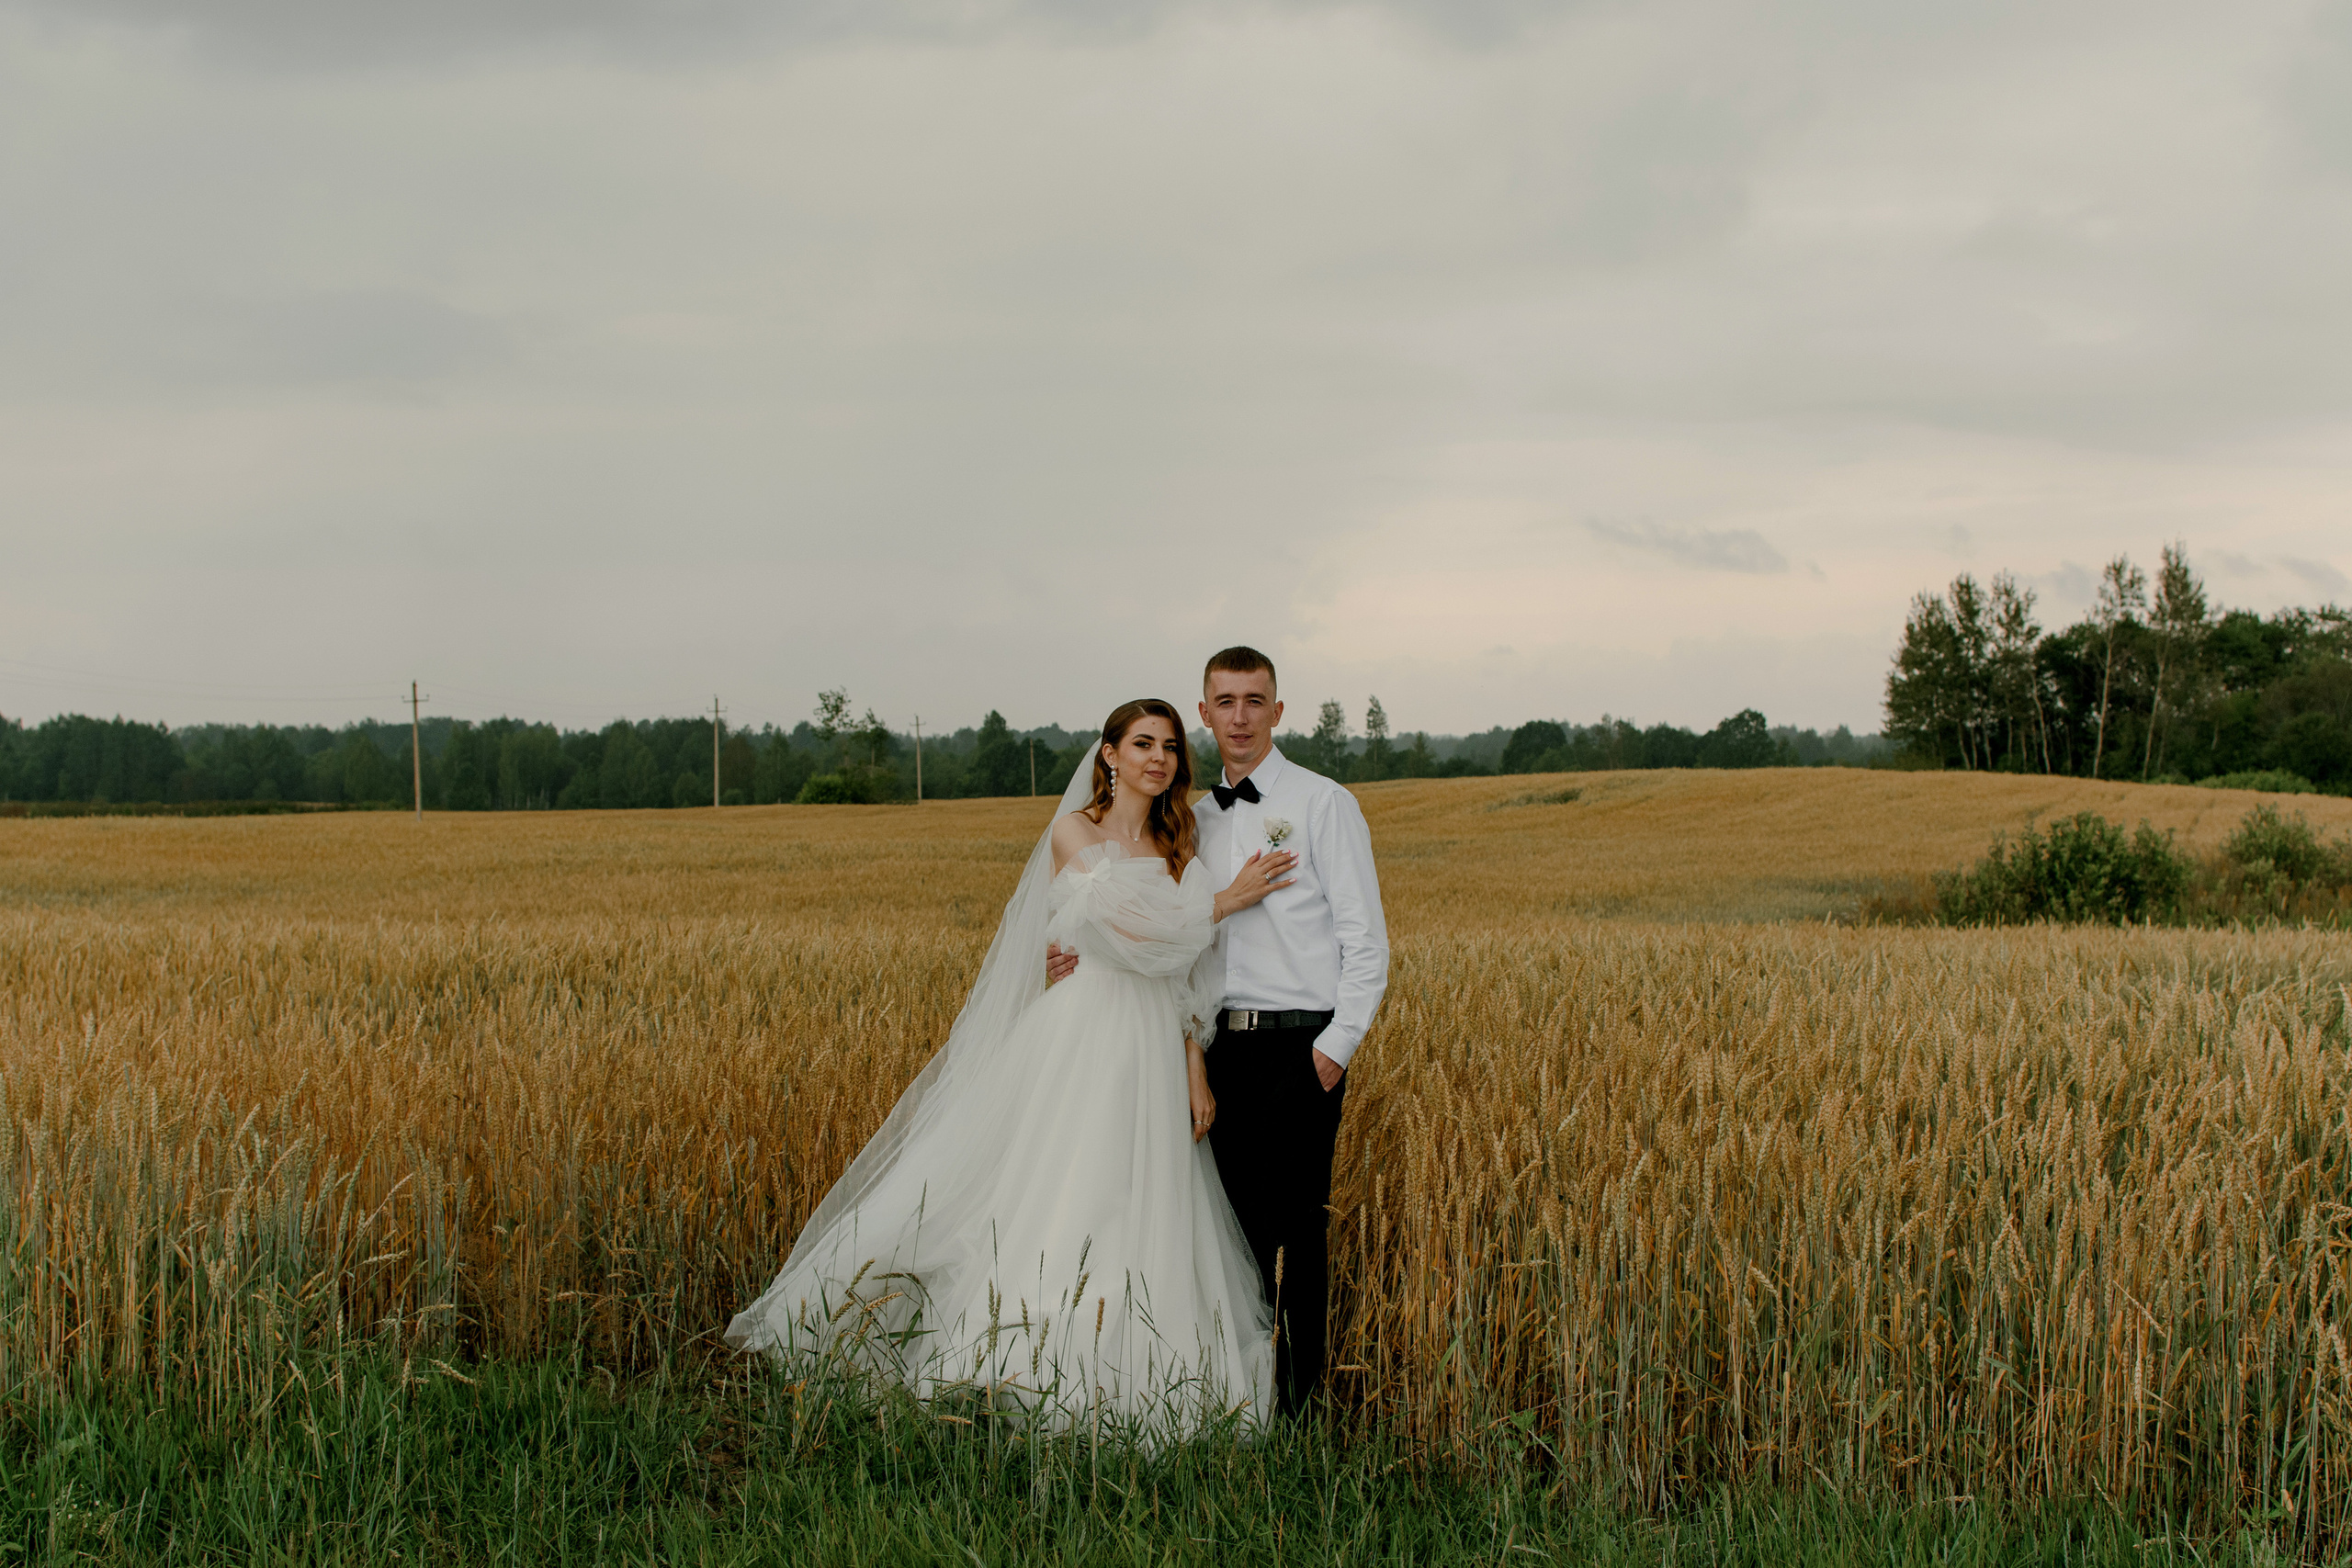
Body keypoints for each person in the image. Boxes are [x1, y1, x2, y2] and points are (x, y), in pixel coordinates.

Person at [725, 698, 1298, 1439]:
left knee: (1145, 1194)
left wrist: (1194, 1061)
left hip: (1155, 1040)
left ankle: (1144, 1369)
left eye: (1169, 747)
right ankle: (1030, 1362)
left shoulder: (1175, 840)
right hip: (1088, 1029)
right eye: (1142, 743)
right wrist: (1225, 900)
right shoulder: (1073, 833)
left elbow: (1183, 967)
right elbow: (1129, 936)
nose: (1159, 757)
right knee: (1075, 1186)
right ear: (1109, 754)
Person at [1048, 648, 1390, 1415]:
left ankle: (1299, 1411)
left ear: (1277, 709)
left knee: (1300, 1232)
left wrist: (1334, 1050)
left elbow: (1366, 940)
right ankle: (1232, 1397)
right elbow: (1173, 949)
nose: (1239, 716)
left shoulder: (1323, 802)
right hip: (1213, 1046)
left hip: (1300, 1044)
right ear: (1205, 713)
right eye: (1224, 702)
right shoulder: (1190, 823)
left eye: (1254, 700)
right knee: (1223, 1233)